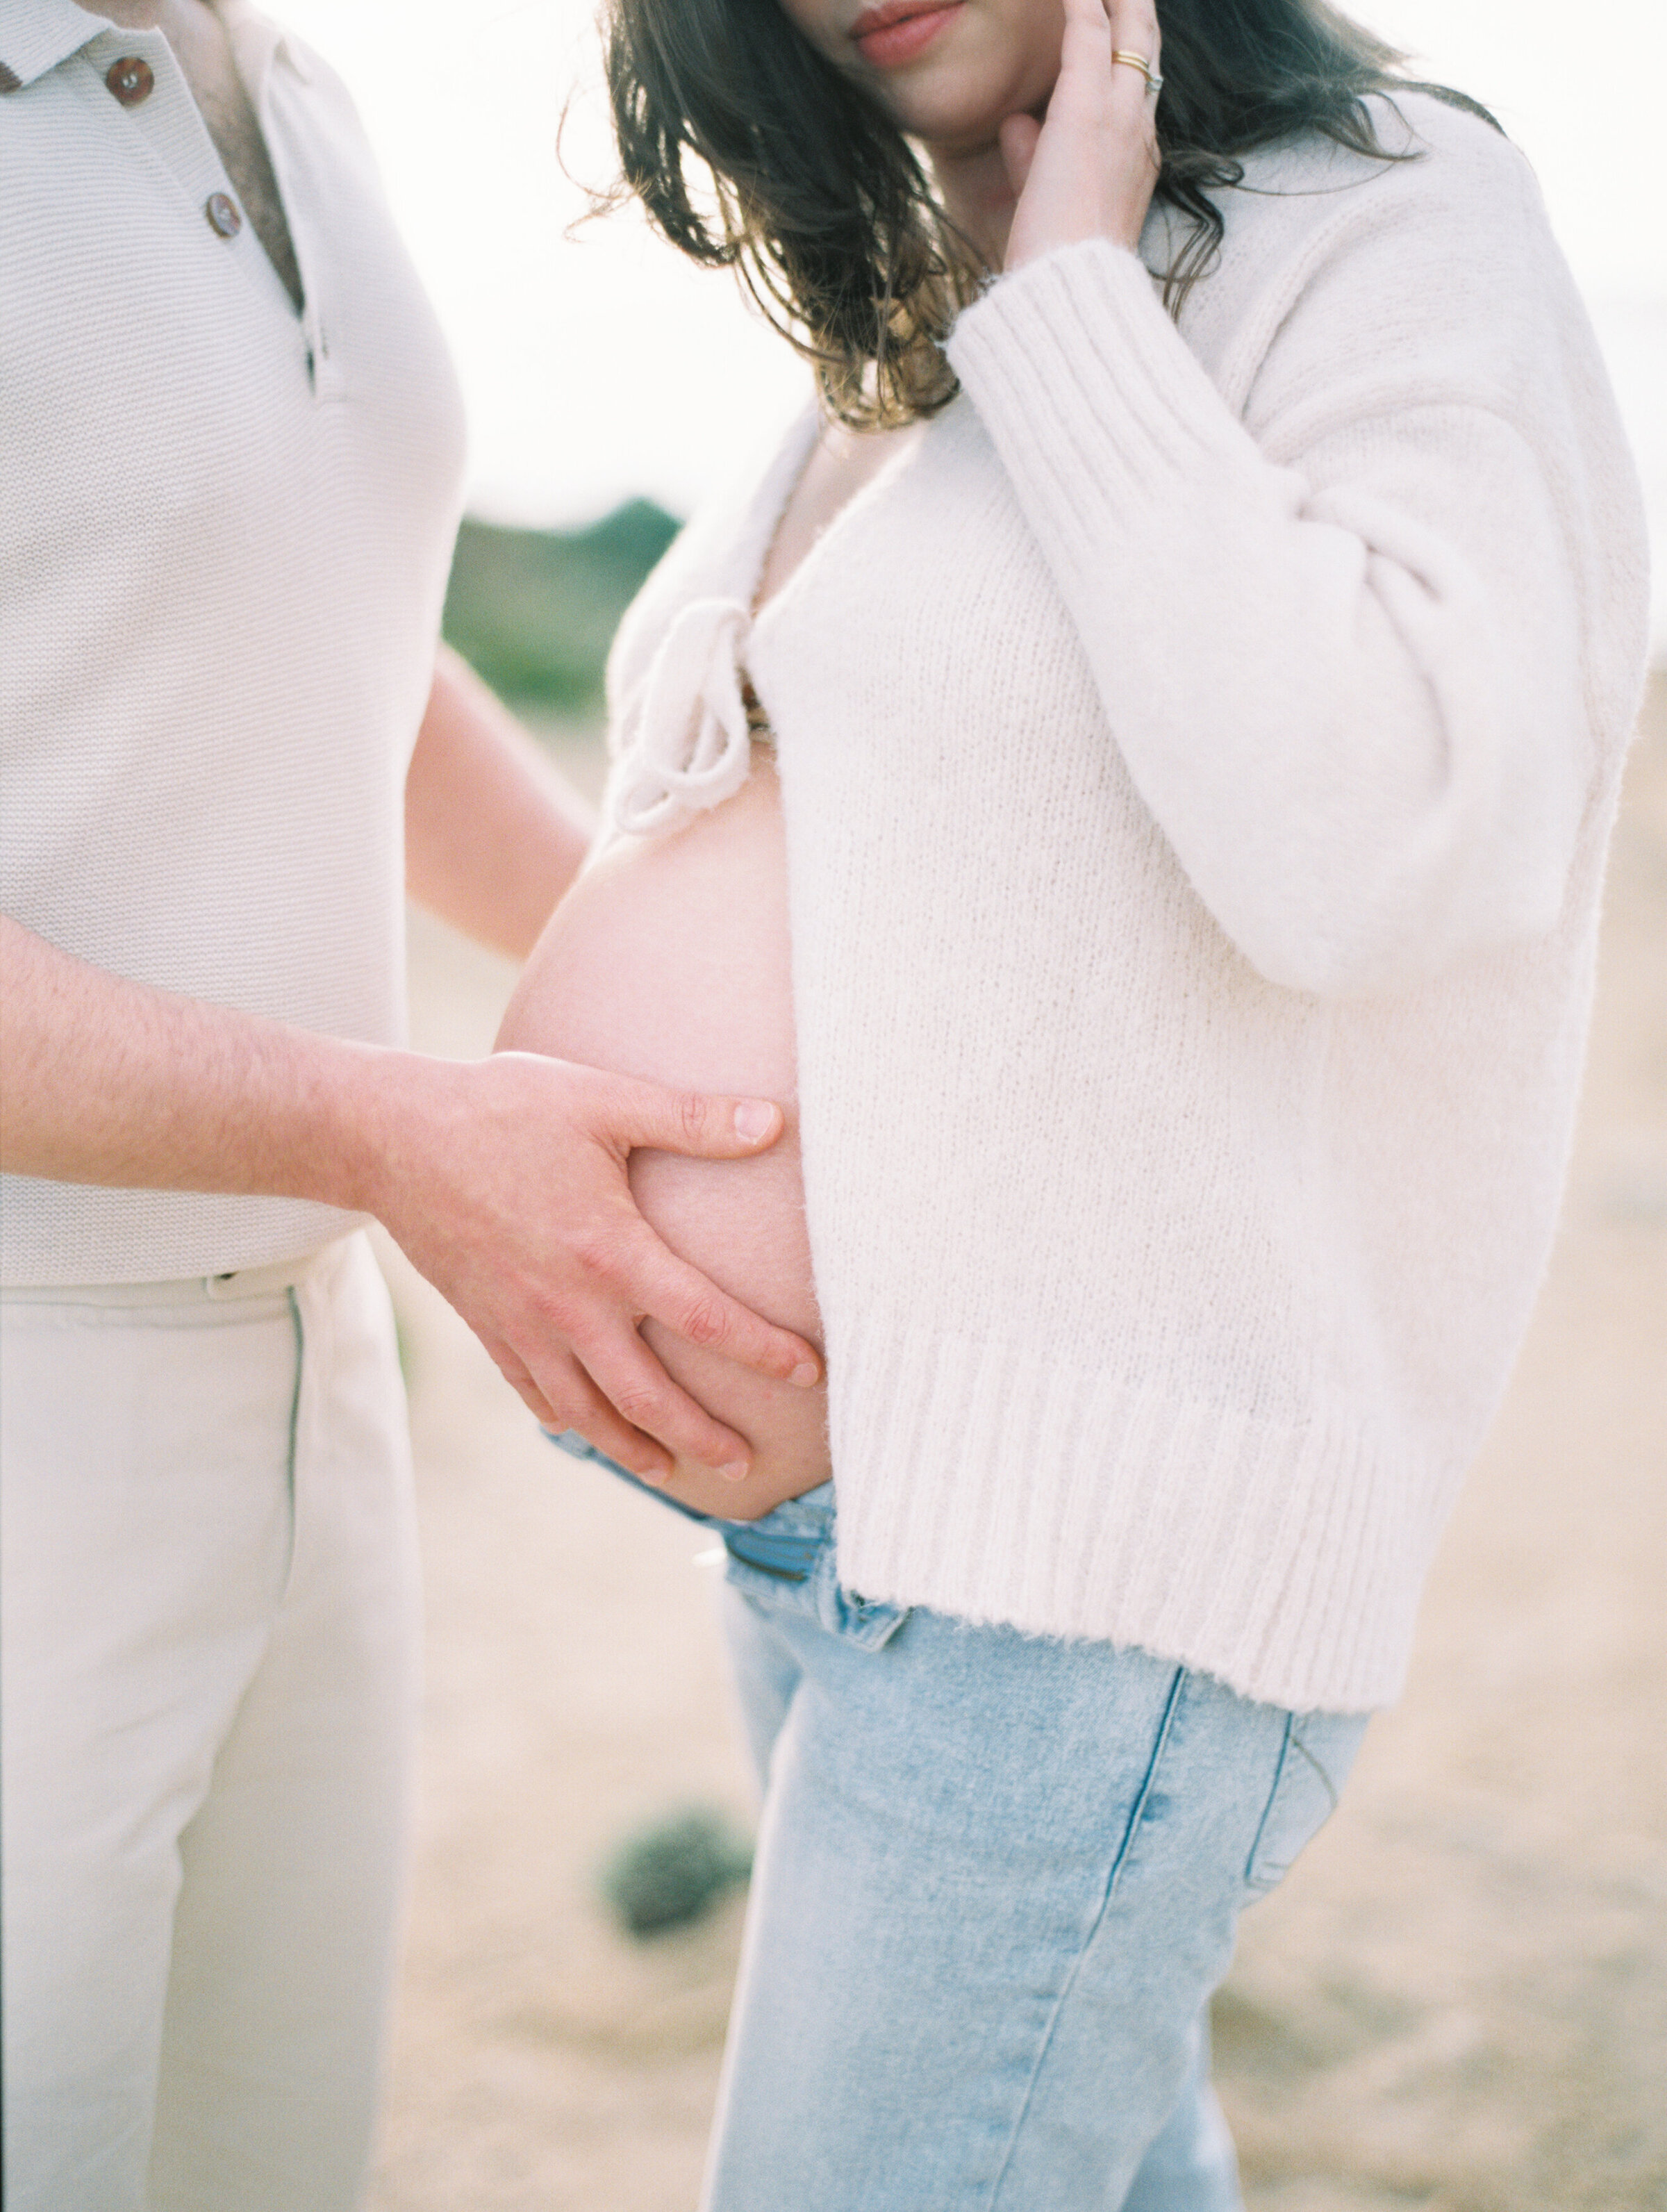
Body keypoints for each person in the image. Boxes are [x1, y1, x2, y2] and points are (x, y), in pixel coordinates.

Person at [497, 0, 1652, 2203]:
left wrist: (1082, 314)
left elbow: (1384, 844)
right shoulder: (915, 277)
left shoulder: (1392, 215)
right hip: (837, 1529)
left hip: (1077, 1589)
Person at [0, 3, 824, 2206]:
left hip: (319, 1374)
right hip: (29, 1388)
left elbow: (346, 643)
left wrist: (691, 1022)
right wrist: (389, 1130)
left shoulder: (297, 84)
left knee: (264, 2163)